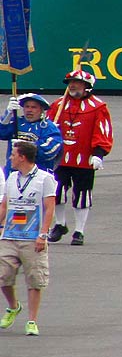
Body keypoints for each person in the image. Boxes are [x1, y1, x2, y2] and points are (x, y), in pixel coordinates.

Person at [47, 70, 112, 244]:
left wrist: (99, 153)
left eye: (77, 82)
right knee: (56, 191)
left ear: (87, 87)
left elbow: (102, 131)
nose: (72, 85)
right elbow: (47, 128)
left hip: (84, 159)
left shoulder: (98, 107)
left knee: (82, 195)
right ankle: (60, 224)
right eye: (70, 83)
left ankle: (79, 231)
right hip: (60, 158)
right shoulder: (58, 105)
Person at [1, 139, 55, 336]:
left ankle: (32, 320)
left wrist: (43, 234)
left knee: (34, 279)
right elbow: (5, 206)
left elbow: (49, 208)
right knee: (3, 276)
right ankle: (14, 306)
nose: (10, 158)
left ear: (22, 157)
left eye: (13, 155)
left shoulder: (44, 179)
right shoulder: (12, 177)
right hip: (10, 235)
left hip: (32, 237)